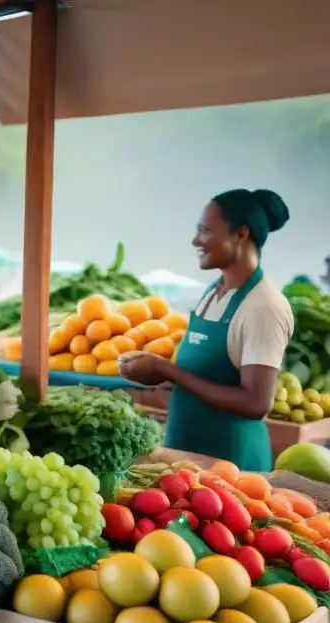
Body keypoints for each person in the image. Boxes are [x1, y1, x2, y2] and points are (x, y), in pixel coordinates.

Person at [119, 189, 293, 471]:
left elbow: (256, 403)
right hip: (187, 454)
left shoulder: (263, 306)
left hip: (232, 467)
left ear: (241, 234)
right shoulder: (214, 292)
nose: (195, 240)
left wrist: (167, 370)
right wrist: (155, 374)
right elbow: (201, 375)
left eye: (205, 231)